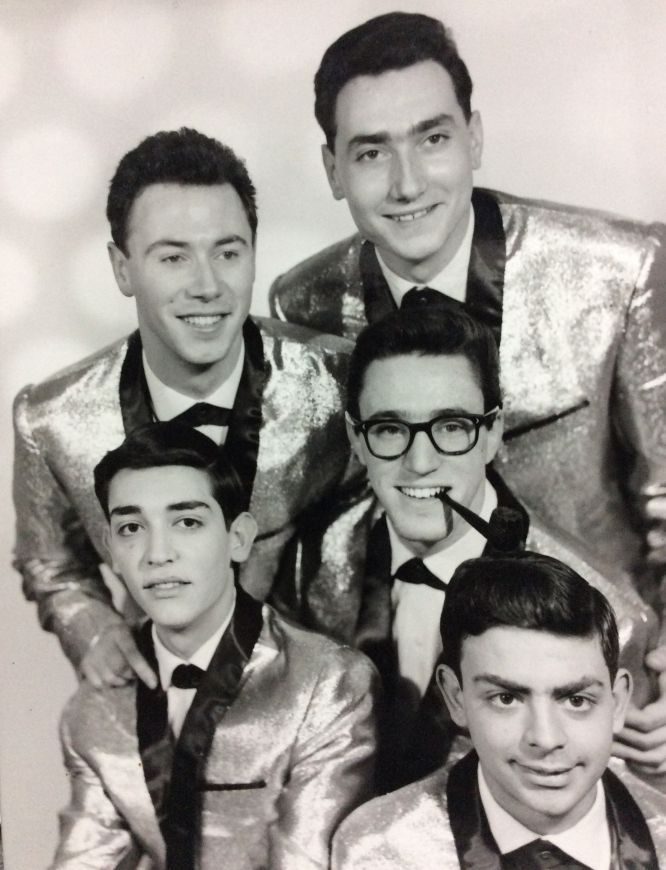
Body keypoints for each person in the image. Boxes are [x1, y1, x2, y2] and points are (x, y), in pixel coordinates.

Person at [268, 11, 666, 624]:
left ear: (473, 139)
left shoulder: (622, 268)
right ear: (333, 171)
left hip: (605, 642)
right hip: (406, 642)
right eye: (372, 152)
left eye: (432, 140)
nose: (407, 184)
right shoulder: (301, 305)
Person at [13, 127, 369, 690]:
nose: (207, 285)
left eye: (227, 252)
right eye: (173, 257)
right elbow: (50, 563)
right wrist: (91, 629)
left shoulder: (341, 379)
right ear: (122, 268)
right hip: (163, 699)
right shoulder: (50, 418)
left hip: (333, 690)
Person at [273, 306, 663, 789]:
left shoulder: (607, 620)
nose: (420, 462)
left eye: (451, 427)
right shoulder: (309, 563)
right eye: (390, 429)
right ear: (357, 437)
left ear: (492, 433)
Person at [50, 422, 378, 870]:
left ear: (238, 538)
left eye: (187, 522)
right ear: (111, 549)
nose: (157, 553)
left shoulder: (329, 683)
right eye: (131, 527)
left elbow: (306, 862)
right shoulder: (96, 707)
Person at [332, 554, 666, 869]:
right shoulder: (379, 849)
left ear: (617, 702)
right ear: (456, 698)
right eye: (506, 699)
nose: (545, 738)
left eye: (576, 700)